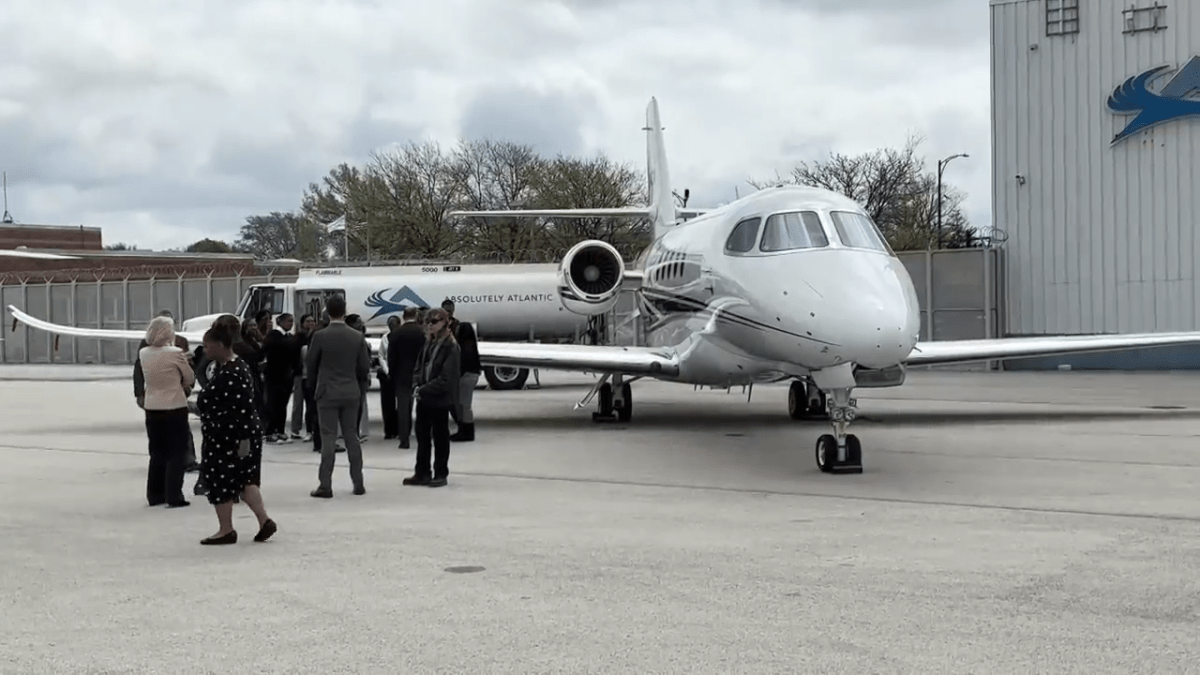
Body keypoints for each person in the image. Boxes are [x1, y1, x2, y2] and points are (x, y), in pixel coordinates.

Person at [195, 322, 276, 546]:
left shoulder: (231, 373)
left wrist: (242, 440)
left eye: (208, 346)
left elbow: (237, 407)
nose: (205, 351)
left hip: (227, 437)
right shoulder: (236, 367)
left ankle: (226, 529)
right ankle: (263, 519)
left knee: (220, 480)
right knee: (245, 479)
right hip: (239, 434)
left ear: (221, 345)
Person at [306, 296, 371, 498]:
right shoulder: (357, 336)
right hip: (351, 390)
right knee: (352, 436)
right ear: (344, 311)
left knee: (328, 437)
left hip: (327, 391)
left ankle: (325, 484)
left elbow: (311, 365)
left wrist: (314, 388)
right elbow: (364, 367)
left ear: (327, 311)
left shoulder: (319, 336)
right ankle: (358, 482)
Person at [138, 315, 195, 508]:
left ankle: (155, 494)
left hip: (152, 406)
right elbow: (188, 377)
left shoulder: (144, 352)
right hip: (174, 406)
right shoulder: (175, 352)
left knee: (157, 452)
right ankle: (173, 494)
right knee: (177, 452)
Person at [404, 307, 460, 488]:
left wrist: (423, 389)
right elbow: (418, 367)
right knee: (422, 436)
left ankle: (441, 473)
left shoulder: (451, 346)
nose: (429, 325)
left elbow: (446, 379)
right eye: (427, 322)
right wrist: (415, 385)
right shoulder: (428, 343)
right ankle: (422, 472)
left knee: (440, 437)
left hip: (440, 399)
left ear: (445, 322)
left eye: (434, 322)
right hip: (424, 398)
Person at [442, 299, 481, 442]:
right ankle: (465, 430)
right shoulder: (458, 327)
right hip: (470, 372)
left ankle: (466, 431)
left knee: (464, 405)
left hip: (465, 373)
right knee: (463, 404)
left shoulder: (457, 328)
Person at [387, 307, 426, 449]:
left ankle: (404, 440)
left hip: (402, 376)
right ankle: (425, 436)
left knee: (403, 410)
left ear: (403, 316)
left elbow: (391, 358)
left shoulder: (396, 334)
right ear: (416, 315)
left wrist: (392, 375)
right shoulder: (423, 332)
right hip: (421, 376)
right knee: (424, 408)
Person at [261, 313, 296, 443]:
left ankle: (280, 430)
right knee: (272, 403)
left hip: (286, 376)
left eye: (292, 321)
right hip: (274, 375)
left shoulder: (289, 337)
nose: (290, 324)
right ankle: (270, 432)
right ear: (280, 322)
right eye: (288, 321)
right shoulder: (274, 335)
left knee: (282, 404)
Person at [289, 314, 317, 441]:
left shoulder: (316, 336)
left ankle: (311, 429)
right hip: (300, 374)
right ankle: (295, 429)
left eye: (312, 321)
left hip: (309, 374)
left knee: (311, 403)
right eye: (307, 321)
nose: (310, 323)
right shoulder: (298, 338)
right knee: (298, 403)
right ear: (302, 323)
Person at [377, 316, 402, 440]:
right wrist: (387, 370)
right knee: (388, 404)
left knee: (401, 404)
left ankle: (399, 429)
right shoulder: (385, 338)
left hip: (400, 374)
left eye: (394, 324)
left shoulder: (403, 337)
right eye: (390, 324)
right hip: (387, 375)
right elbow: (381, 356)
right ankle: (389, 430)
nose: (392, 326)